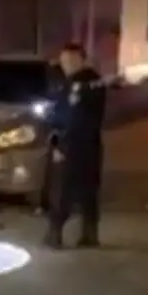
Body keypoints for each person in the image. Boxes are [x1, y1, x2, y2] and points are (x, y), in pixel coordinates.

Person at [44, 43, 107, 249]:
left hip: (74, 143)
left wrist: (61, 145)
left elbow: (74, 117)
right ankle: (89, 234)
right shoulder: (77, 81)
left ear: (81, 60)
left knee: (64, 189)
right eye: (64, 61)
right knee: (87, 189)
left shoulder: (82, 84)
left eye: (70, 60)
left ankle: (56, 234)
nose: (66, 64)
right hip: (89, 143)